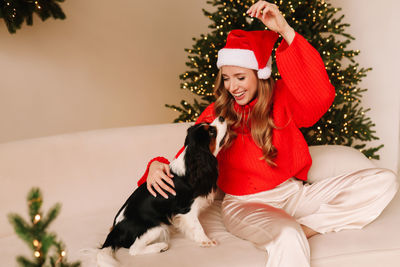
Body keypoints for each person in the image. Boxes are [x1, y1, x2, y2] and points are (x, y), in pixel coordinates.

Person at [136, 1, 399, 266]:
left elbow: (320, 97)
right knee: (286, 235)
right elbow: (192, 155)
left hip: (293, 194)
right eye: (226, 78)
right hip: (246, 205)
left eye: (240, 77)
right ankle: (293, 231)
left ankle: (308, 228)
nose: (232, 87)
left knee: (385, 181)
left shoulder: (282, 97)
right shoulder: (217, 113)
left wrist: (284, 29)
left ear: (260, 74)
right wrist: (156, 165)